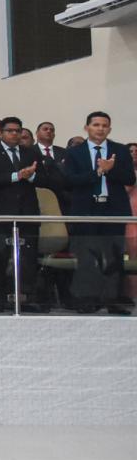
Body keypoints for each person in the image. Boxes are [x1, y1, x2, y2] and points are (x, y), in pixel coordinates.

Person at [64, 111, 134, 315]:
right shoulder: (74, 152)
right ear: (87, 128)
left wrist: (111, 169)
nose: (100, 128)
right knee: (86, 256)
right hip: (86, 210)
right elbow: (69, 181)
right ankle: (87, 299)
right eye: (96, 125)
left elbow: (130, 178)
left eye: (104, 125)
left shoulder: (120, 151)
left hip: (113, 210)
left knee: (113, 256)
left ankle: (112, 300)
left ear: (109, 129)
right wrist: (97, 173)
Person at [0, 117, 42, 312]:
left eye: (18, 130)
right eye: (10, 130)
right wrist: (16, 176)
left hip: (28, 213)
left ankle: (26, 298)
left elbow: (48, 178)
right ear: (1, 133)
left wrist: (32, 176)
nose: (15, 134)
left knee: (28, 258)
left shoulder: (31, 152)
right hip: (0, 214)